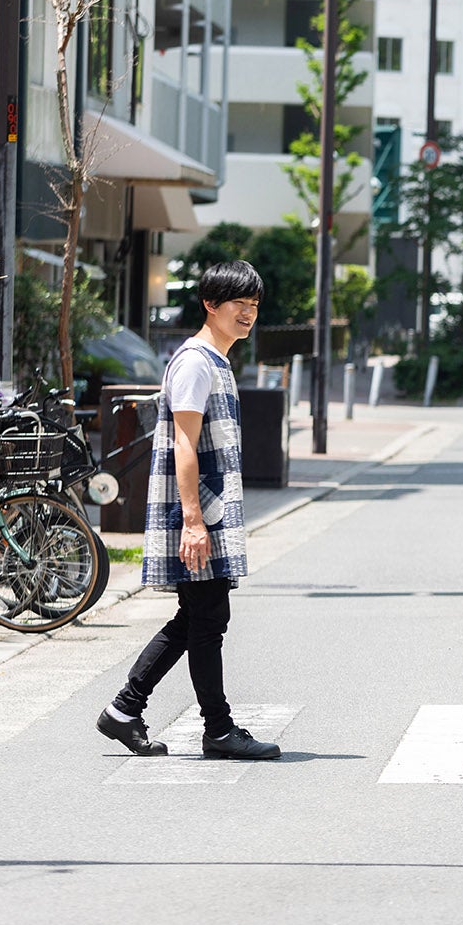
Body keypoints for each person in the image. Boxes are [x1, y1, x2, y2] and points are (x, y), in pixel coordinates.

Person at [97, 261, 279, 760]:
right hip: (198, 515)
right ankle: (215, 729)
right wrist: (194, 521)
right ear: (210, 305)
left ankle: (125, 710)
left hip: (210, 513)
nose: (248, 314)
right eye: (238, 305)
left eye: (254, 306)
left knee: (200, 617)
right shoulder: (197, 362)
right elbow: (184, 442)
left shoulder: (215, 361)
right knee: (206, 617)